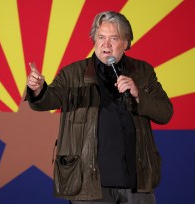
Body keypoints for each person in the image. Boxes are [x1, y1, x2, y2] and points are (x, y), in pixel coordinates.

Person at [25, 11, 173, 204]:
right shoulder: (73, 73)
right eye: (101, 37)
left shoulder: (143, 72)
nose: (106, 44)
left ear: (127, 43)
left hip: (137, 184)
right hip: (89, 184)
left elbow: (165, 113)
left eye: (113, 38)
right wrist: (37, 89)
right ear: (94, 40)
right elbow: (47, 100)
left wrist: (138, 95)